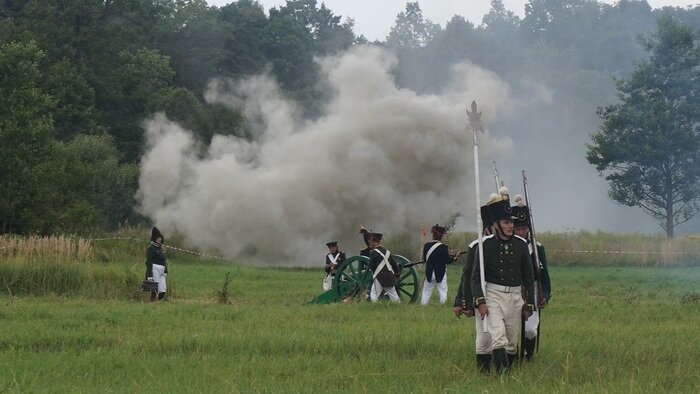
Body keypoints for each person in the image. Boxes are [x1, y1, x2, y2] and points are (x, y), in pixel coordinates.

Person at [471, 194, 535, 373]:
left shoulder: (521, 245)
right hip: (493, 295)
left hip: (515, 297)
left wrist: (529, 303)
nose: (511, 226)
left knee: (512, 343)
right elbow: (475, 276)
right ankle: (502, 377)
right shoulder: (485, 245)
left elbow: (528, 277)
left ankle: (506, 372)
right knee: (498, 337)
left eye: (511, 223)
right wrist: (480, 301)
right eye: (506, 222)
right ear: (497, 224)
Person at [453, 204, 495, 373]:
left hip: (507, 296)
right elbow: (468, 276)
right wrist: (463, 303)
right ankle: (484, 373)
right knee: (484, 337)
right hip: (482, 296)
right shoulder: (476, 246)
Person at [512, 195, 552, 362]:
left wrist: (545, 294)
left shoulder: (538, 247)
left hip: (533, 290)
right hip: (513, 290)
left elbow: (544, 275)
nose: (521, 232)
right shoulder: (509, 246)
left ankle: (528, 355)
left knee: (530, 330)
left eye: (524, 229)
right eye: (518, 229)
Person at [420, 224, 457, 305]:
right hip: (440, 272)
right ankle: (443, 306)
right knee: (443, 291)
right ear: (441, 236)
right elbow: (447, 261)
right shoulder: (443, 247)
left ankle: (423, 306)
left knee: (426, 291)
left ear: (433, 235)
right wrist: (454, 258)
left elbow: (425, 259)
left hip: (429, 272)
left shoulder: (426, 246)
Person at [367, 232, 401, 302]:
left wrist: (371, 273)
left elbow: (371, 266)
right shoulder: (387, 252)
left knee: (374, 294)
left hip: (379, 277)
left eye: (371, 242)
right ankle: (399, 307)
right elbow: (394, 264)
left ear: (375, 242)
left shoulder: (374, 252)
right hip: (389, 276)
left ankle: (374, 309)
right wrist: (397, 273)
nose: (370, 243)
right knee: (393, 294)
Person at [145, 226, 168, 302]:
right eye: (158, 238)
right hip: (155, 268)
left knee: (163, 289)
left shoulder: (161, 249)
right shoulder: (151, 249)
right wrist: (150, 275)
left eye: (160, 238)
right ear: (154, 239)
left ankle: (159, 302)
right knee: (154, 288)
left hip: (162, 270)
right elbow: (149, 262)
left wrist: (165, 270)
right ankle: (151, 303)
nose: (160, 239)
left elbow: (164, 260)